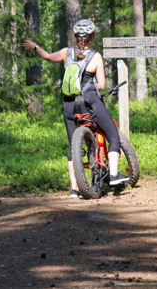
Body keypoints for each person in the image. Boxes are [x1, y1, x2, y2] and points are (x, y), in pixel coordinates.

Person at [22, 19, 128, 198]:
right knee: (113, 134)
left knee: (73, 145)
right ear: (92, 37)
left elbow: (47, 56)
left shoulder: (66, 52)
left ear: (75, 36)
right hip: (89, 101)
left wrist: (35, 47)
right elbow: (101, 85)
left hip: (69, 104)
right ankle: (115, 175)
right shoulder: (95, 57)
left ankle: (74, 189)